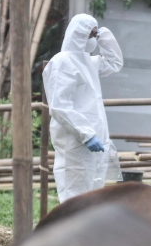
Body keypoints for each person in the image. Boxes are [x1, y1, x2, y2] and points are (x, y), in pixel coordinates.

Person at [43, 14, 124, 203]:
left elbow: (115, 63)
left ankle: (88, 233)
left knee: (93, 197)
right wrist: (86, 134)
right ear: (78, 35)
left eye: (95, 35)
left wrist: (105, 37)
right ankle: (70, 233)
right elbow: (60, 105)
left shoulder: (90, 62)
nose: (93, 40)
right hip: (76, 141)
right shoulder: (63, 62)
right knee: (74, 195)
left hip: (97, 140)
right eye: (91, 35)